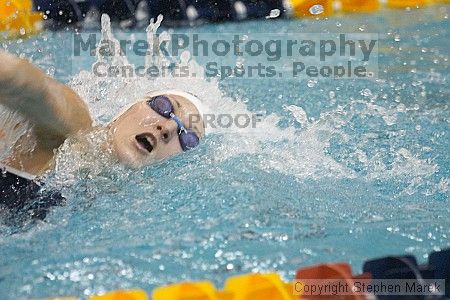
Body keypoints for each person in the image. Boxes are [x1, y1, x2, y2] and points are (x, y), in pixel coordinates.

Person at [0, 50, 205, 220]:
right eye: (163, 106)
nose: (168, 128)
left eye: (187, 137)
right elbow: (20, 80)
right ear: (126, 111)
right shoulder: (73, 129)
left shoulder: (113, 209)